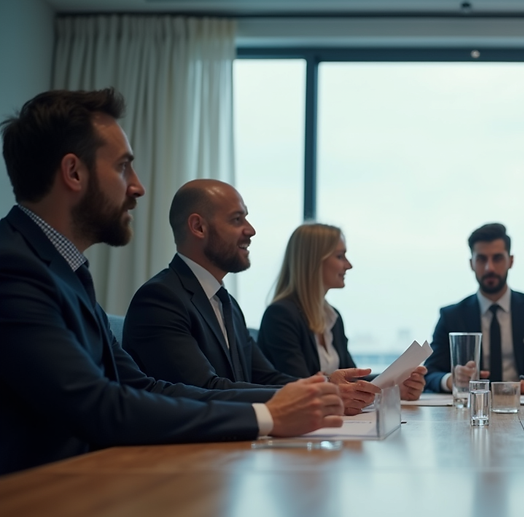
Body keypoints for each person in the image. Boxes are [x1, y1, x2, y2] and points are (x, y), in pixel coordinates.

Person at [0, 89, 343, 475]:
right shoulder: (13, 266)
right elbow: (97, 405)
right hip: (31, 506)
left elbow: (144, 388)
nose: (137, 187)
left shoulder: (65, 270)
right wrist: (266, 417)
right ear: (74, 173)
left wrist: (295, 401)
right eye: (123, 167)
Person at [124, 180, 379, 415]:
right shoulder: (160, 299)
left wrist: (325, 385)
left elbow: (266, 377)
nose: (251, 230)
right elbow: (205, 388)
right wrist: (322, 394)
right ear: (198, 227)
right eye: (237, 220)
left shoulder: (227, 303)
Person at [258, 223, 426, 400]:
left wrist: (395, 387)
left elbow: (351, 378)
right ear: (313, 262)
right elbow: (300, 385)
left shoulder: (332, 318)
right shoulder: (280, 315)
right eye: (340, 256)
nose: (349, 265)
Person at [424, 223, 524, 394]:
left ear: (510, 261)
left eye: (497, 258)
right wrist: (451, 380)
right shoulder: (452, 316)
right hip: (471, 409)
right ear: (471, 263)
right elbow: (430, 373)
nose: (489, 267)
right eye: (481, 259)